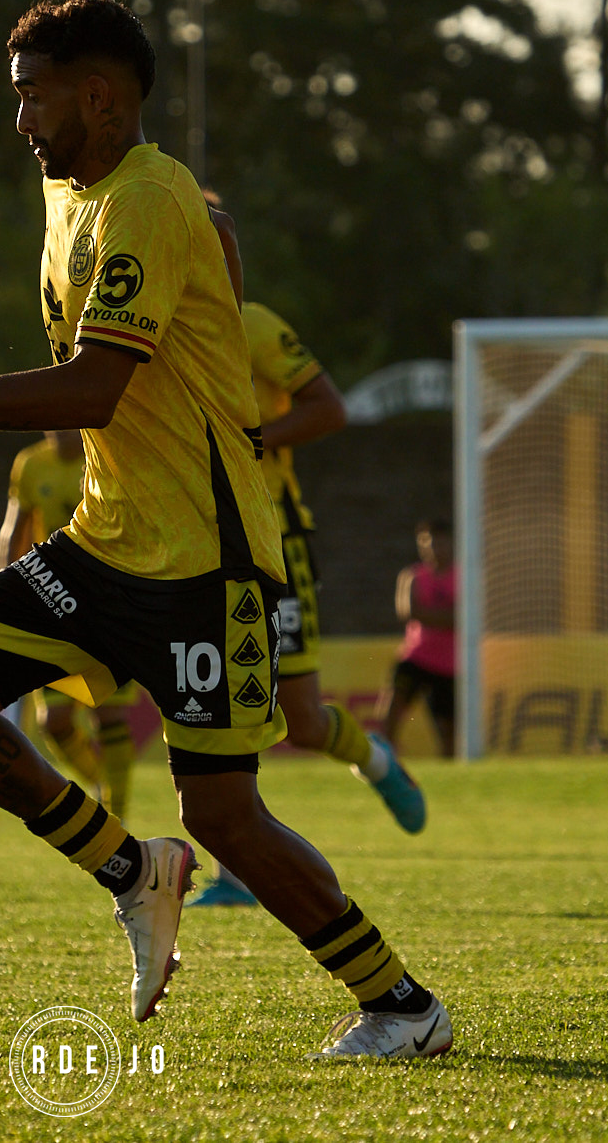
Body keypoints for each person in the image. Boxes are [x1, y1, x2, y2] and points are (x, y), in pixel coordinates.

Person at [0, 0, 452, 1061]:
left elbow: (91, 389)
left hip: (209, 564)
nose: (19, 121)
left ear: (99, 97)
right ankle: (129, 869)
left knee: (225, 814)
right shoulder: (75, 199)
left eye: (31, 97)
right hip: (102, 542)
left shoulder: (149, 198)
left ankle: (400, 1003)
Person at [191, 283, 427, 911]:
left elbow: (329, 408)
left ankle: (376, 759)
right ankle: (235, 872)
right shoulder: (149, 326)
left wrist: (252, 441)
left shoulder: (253, 323)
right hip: (197, 542)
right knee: (213, 703)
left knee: (303, 719)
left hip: (273, 537)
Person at [0, 431, 137, 817]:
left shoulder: (109, 454)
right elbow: (16, 528)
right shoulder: (31, 462)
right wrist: (6, 588)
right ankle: (100, 783)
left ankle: (117, 811)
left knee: (107, 713)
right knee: (53, 722)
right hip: (52, 600)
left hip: (107, 601)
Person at [388, 519, 457, 760]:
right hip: (416, 657)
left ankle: (451, 774)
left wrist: (429, 616)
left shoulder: (464, 575)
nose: (433, 548)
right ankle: (386, 764)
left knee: (449, 730)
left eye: (439, 542)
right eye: (426, 543)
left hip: (450, 664)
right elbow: (407, 613)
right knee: (392, 713)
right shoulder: (412, 576)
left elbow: (465, 617)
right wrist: (447, 617)